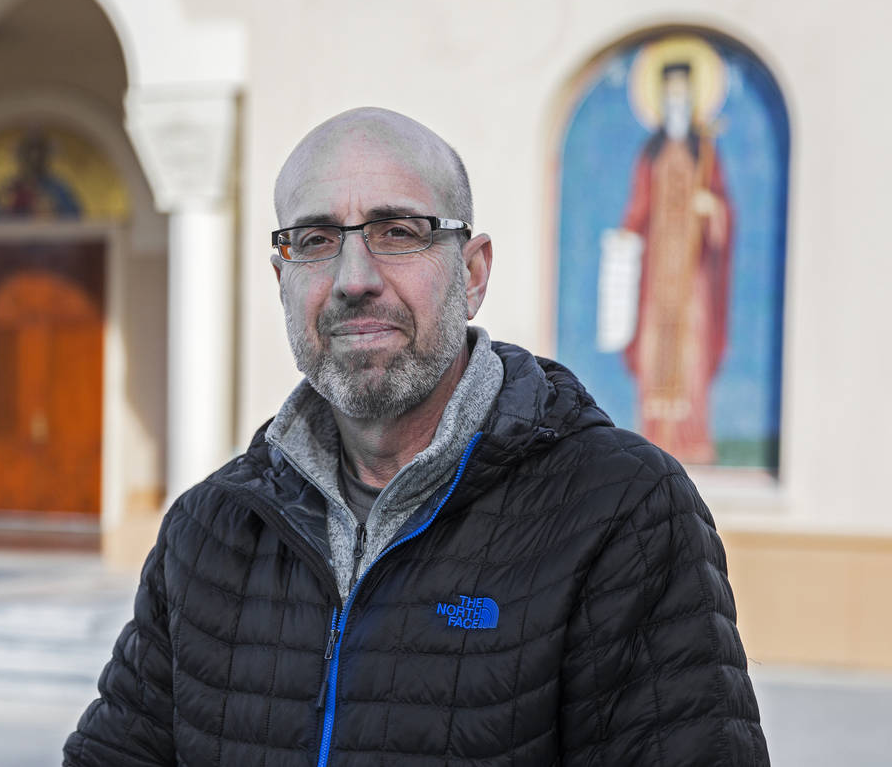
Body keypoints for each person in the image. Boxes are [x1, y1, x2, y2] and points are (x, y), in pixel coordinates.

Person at [64, 107, 767, 766]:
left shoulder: (621, 511)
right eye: (314, 241)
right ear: (282, 278)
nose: (354, 279)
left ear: (472, 271)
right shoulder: (210, 529)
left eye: (398, 231)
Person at [621, 61, 733, 464]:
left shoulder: (705, 151)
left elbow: (722, 206)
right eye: (669, 94)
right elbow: (639, 204)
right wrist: (628, 233)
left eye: (682, 94)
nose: (675, 102)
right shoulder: (650, 151)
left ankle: (691, 440)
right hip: (657, 270)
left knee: (691, 346)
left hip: (692, 271)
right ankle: (653, 436)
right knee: (654, 346)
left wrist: (711, 209)